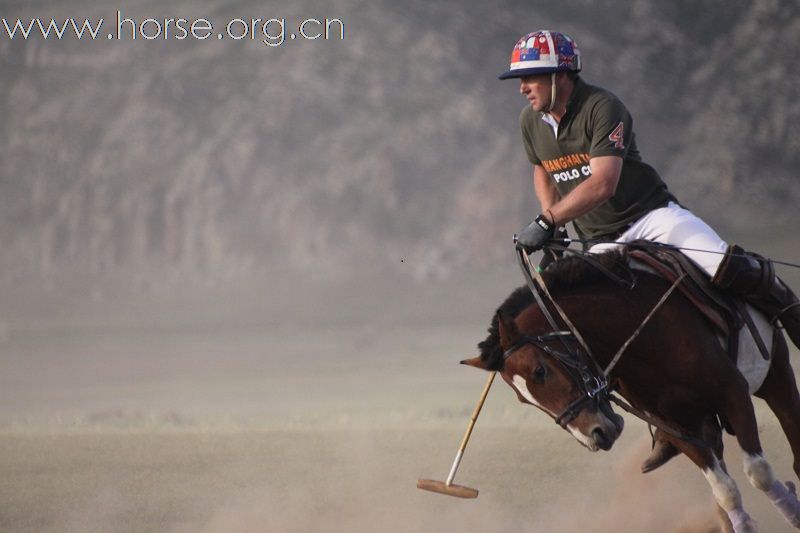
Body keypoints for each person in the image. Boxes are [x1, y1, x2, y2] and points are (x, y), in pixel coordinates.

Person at [499, 29, 800, 472]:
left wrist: (548, 222)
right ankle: (667, 423)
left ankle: (790, 311)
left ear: (561, 75)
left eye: (532, 77)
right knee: (604, 328)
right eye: (521, 80)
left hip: (651, 217)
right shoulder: (531, 121)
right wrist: (554, 222)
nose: (523, 88)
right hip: (600, 241)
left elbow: (604, 182)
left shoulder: (603, 108)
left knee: (722, 261)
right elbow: (542, 169)